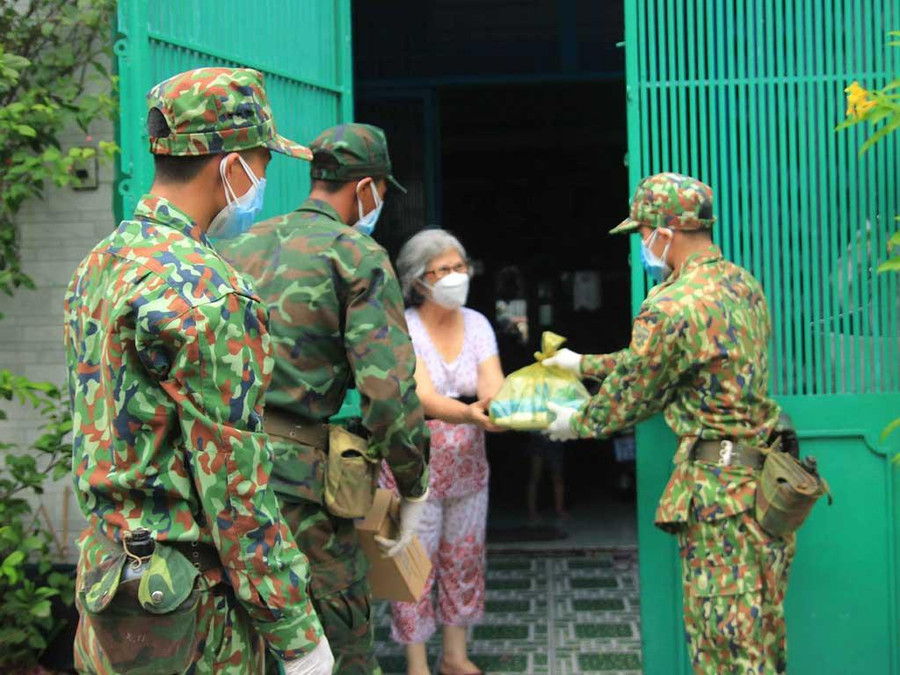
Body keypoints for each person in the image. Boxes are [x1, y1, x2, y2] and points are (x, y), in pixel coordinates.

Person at [63, 67, 333, 674]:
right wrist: (297, 632)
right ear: (230, 165)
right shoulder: (213, 292)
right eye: (262, 162)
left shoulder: (99, 266)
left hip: (110, 590)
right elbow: (236, 493)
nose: (262, 180)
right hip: (194, 614)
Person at [542, 173, 794, 674]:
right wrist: (583, 365)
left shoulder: (671, 305)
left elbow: (639, 388)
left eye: (642, 234)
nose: (642, 245)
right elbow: (675, 360)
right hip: (765, 486)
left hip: (721, 501)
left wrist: (578, 421)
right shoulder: (741, 283)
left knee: (724, 646)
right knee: (760, 631)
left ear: (665, 232)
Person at [219, 123, 430, 675]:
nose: (379, 202)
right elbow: (387, 392)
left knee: (247, 636)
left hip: (224, 472)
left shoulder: (236, 247)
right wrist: (412, 484)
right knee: (335, 645)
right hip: (303, 489)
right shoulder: (355, 255)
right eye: (381, 191)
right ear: (366, 188)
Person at [382, 229, 504, 675]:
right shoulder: (404, 328)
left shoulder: (477, 324)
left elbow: (494, 386)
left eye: (461, 267)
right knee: (414, 569)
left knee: (465, 559)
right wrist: (473, 414)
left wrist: (500, 406)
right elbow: (424, 397)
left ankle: (455, 656)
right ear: (419, 279)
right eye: (445, 270)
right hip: (414, 472)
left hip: (470, 469)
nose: (456, 277)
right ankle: (417, 664)